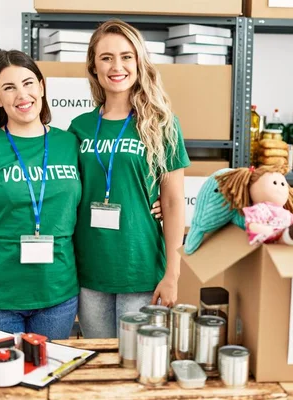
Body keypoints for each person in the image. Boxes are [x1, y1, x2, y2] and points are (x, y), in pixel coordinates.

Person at [68, 19, 189, 338]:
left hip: (141, 269)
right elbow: (58, 189)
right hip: (88, 270)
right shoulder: (78, 127)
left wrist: (172, 273)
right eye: (106, 57)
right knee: (99, 362)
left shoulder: (163, 124)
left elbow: (174, 201)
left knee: (136, 366)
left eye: (126, 56)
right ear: (93, 66)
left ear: (139, 62)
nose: (116, 66)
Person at [0, 50, 82, 339]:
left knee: (46, 379)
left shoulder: (70, 144)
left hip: (58, 295)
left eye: (28, 83)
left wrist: (153, 200)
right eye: (9, 87)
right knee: (2, 383)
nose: (22, 95)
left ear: (42, 86)